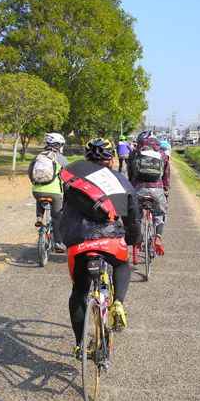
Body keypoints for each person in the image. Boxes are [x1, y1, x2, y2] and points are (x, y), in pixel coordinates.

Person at [60, 138, 141, 359]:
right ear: (111, 159)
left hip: (78, 242)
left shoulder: (73, 173)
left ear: (87, 157)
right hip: (111, 241)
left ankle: (79, 344)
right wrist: (133, 238)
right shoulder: (120, 180)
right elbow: (133, 217)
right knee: (122, 264)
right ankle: (118, 303)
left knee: (78, 292)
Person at [127, 135, 170, 262]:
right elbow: (166, 175)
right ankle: (158, 236)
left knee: (136, 214)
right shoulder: (162, 154)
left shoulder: (135, 153)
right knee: (160, 213)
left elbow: (130, 173)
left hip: (138, 190)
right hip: (157, 190)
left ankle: (138, 236)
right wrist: (165, 188)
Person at [29, 132, 68, 253]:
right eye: (61, 145)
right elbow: (69, 174)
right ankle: (58, 243)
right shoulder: (60, 158)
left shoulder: (38, 156)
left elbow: (30, 172)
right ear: (57, 145)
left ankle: (39, 217)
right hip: (54, 192)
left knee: (40, 197)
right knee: (57, 218)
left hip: (36, 190)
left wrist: (36, 184)